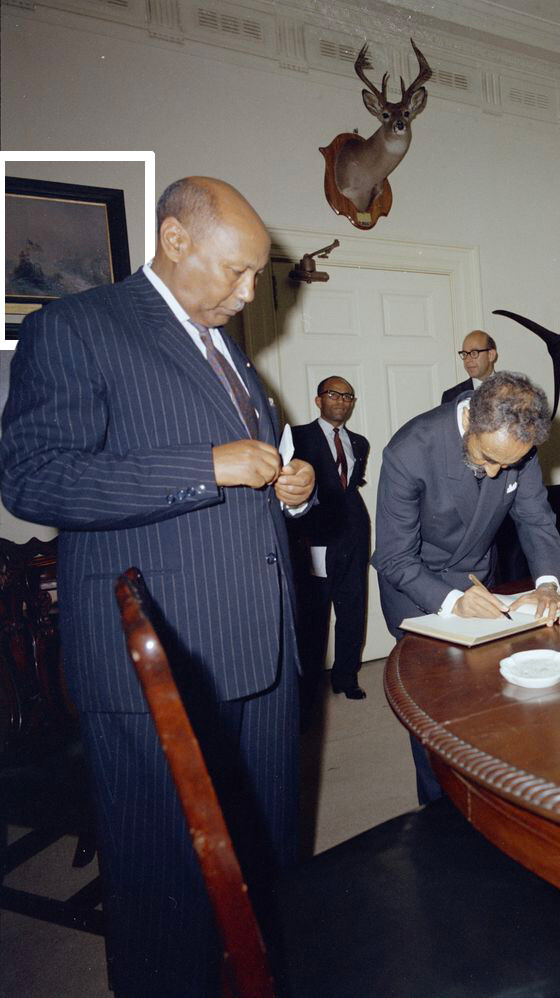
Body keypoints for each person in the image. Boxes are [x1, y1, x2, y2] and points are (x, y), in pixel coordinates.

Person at [0, 176, 316, 997]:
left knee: (264, 860)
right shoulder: (76, 328)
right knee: (165, 884)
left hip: (260, 644)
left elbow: (257, 470)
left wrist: (295, 486)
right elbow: (32, 480)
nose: (252, 293)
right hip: (158, 662)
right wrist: (204, 467)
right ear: (175, 241)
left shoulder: (228, 349)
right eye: (238, 271)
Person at [372, 371, 560, 803]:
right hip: (417, 588)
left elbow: (536, 519)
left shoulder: (517, 439)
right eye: (488, 458)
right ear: (471, 423)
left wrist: (548, 585)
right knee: (434, 717)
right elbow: (393, 557)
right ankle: (438, 814)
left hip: (478, 580)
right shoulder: (410, 450)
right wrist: (451, 601)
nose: (498, 472)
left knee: (487, 703)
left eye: (510, 465)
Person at [291, 375, 370, 700]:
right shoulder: (297, 437)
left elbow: (350, 485)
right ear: (318, 400)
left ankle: (346, 677)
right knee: (314, 614)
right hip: (315, 537)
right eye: (334, 394)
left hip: (354, 532)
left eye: (348, 396)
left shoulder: (360, 442)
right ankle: (309, 689)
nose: (342, 401)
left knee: (353, 607)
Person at [441, 329, 498, 402]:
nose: (467, 360)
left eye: (474, 353)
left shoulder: (512, 391)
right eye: (464, 354)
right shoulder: (451, 397)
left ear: (491, 355)